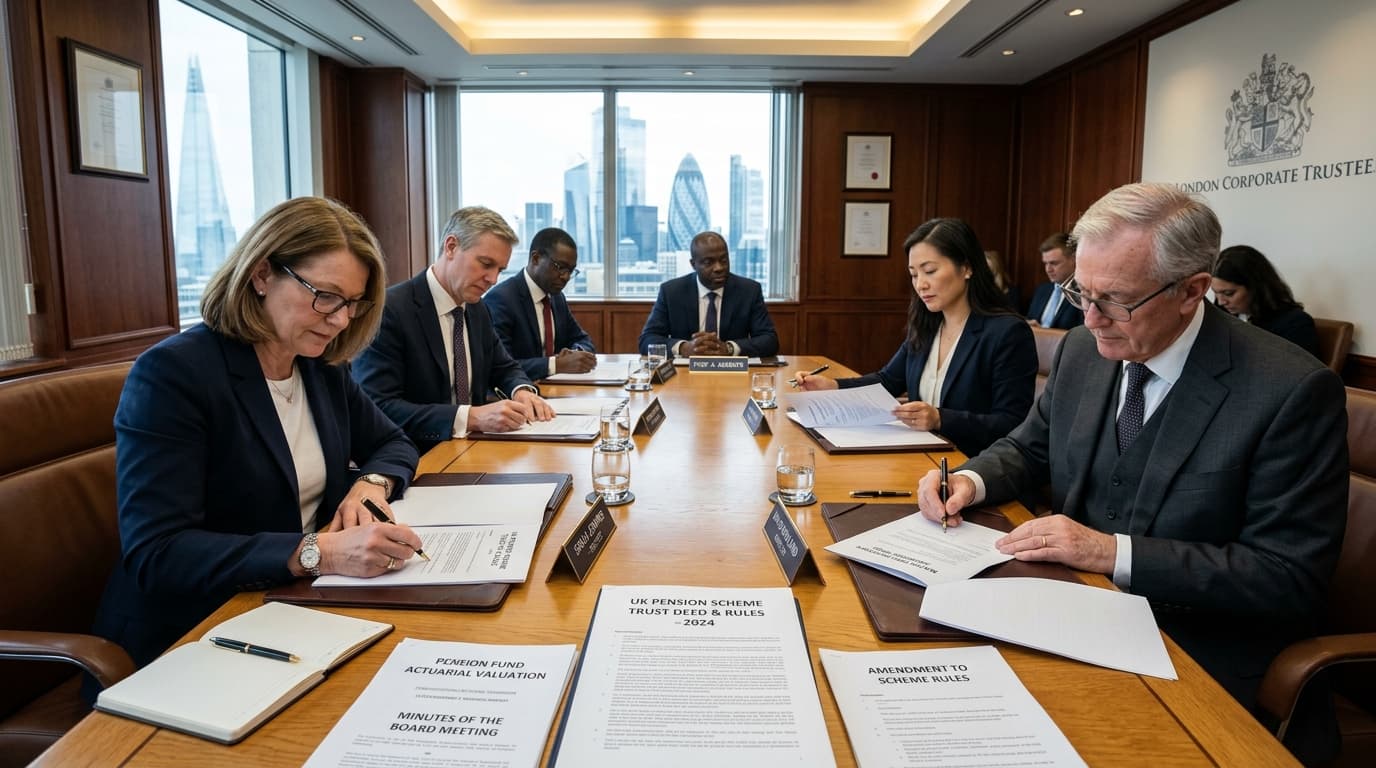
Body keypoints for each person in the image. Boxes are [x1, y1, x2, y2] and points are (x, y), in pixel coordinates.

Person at [916, 183, 1347, 758]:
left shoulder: (1288, 390)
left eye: (1114, 300)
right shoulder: (1081, 352)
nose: (1091, 320)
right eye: (1080, 293)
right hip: (1066, 615)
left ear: (1193, 290)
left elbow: (1285, 576)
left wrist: (1109, 553)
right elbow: (1030, 445)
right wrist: (970, 479)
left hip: (1196, 654)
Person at [91, 197, 423, 670]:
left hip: (296, 605)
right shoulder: (174, 374)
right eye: (325, 295)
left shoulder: (320, 368)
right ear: (262, 274)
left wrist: (371, 483)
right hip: (195, 633)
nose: (341, 319)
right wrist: (315, 552)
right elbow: (158, 552)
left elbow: (395, 442)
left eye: (352, 303)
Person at [795, 218, 1037, 457]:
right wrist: (833, 386)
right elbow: (888, 381)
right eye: (913, 274)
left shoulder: (1007, 332)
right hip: (922, 457)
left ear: (966, 268)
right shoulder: (928, 325)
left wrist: (940, 418)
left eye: (930, 271)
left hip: (973, 466)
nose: (920, 284)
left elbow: (1012, 424)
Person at [353, 206, 554, 452]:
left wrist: (521, 390)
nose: (492, 279)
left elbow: (504, 367)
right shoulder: (391, 311)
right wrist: (471, 417)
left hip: (474, 450)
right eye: (485, 264)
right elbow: (379, 407)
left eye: (499, 270)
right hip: (415, 456)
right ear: (451, 247)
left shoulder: (476, 309)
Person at [638, 231, 779, 357]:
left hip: (733, 373)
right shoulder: (671, 292)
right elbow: (647, 340)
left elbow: (770, 341)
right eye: (708, 262)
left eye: (723, 260)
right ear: (693, 264)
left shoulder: (749, 291)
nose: (719, 268)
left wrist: (729, 348)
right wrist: (683, 348)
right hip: (684, 374)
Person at [483, 227, 597, 380]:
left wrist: (576, 353)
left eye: (571, 271)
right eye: (560, 267)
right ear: (536, 258)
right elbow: (501, 366)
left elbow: (582, 338)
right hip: (516, 394)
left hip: (555, 389)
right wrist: (556, 364)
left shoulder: (557, 298)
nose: (566, 277)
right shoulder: (501, 299)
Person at [1212, 244, 1321, 359]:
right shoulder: (1219, 315)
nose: (1221, 302)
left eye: (1228, 293)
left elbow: (1300, 372)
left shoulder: (1295, 324)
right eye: (1215, 292)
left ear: (1255, 287)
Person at [1026, 233, 1084, 329]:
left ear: (1074, 259)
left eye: (1054, 263)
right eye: (1045, 263)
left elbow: (1082, 335)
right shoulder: (1042, 290)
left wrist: (1045, 334)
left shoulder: (1083, 293)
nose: (1048, 269)